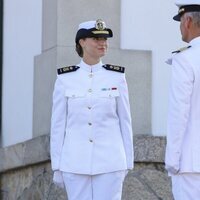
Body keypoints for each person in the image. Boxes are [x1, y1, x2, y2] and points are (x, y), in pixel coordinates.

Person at [50, 19, 134, 200]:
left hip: (110, 161)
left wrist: (128, 161)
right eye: (96, 39)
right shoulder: (65, 78)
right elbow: (58, 125)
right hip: (74, 163)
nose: (102, 43)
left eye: (105, 39)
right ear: (81, 42)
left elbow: (125, 120)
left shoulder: (116, 77)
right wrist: (57, 165)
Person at [165, 0, 200, 199]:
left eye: (180, 22)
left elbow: (179, 112)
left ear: (187, 21)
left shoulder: (185, 59)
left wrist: (172, 160)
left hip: (191, 163)